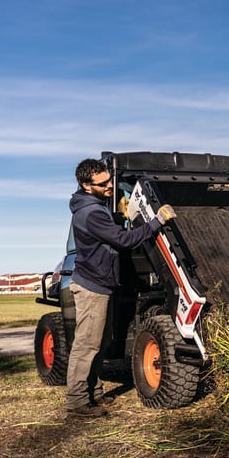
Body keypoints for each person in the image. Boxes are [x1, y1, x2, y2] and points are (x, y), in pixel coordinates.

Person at [66, 158, 177, 418]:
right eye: (103, 183)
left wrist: (118, 215)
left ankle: (93, 393)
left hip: (102, 284)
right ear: (85, 185)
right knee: (87, 345)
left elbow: (107, 234)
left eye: (109, 180)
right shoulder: (90, 212)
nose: (109, 186)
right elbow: (123, 240)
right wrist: (156, 222)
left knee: (100, 343)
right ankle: (77, 402)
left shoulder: (94, 204)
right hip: (92, 287)